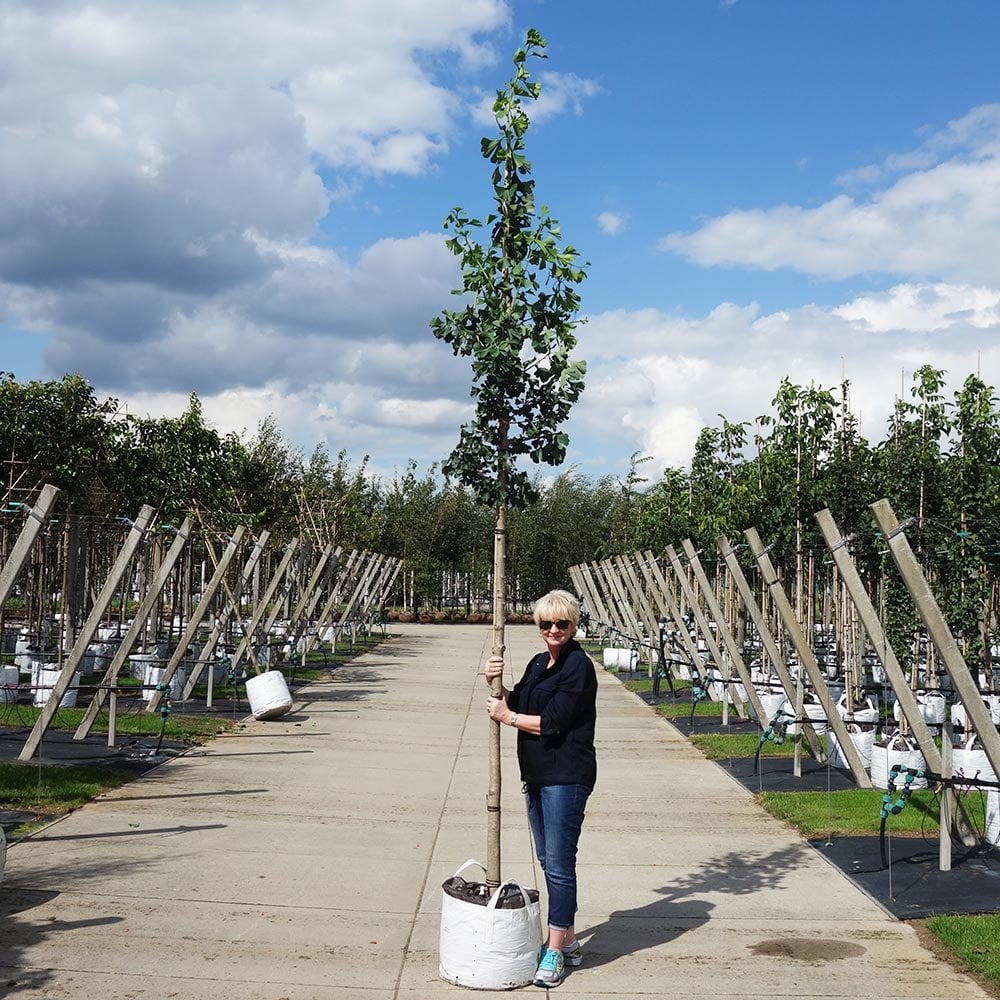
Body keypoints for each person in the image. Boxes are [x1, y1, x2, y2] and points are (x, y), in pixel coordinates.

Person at [485, 589, 598, 989]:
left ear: (573, 625)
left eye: (561, 624)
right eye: (546, 624)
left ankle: (553, 951)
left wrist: (508, 716)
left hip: (566, 775)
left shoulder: (578, 667)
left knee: (560, 864)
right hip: (535, 775)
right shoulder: (537, 663)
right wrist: (494, 682)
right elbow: (518, 699)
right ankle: (566, 939)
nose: (553, 630)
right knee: (549, 861)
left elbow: (553, 721)